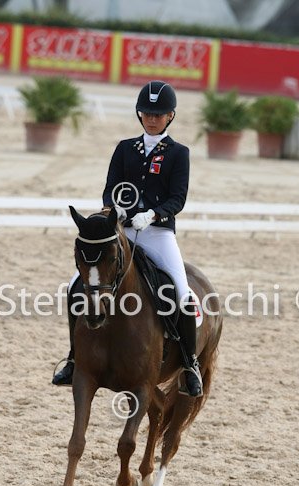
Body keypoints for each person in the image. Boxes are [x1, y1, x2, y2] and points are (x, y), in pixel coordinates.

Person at [53, 80, 203, 397]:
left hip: (158, 234)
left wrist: (154, 215)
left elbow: (178, 198)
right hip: (122, 231)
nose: (152, 119)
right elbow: (111, 187)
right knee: (75, 285)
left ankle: (189, 364)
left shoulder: (179, 153)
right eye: (147, 113)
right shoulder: (125, 148)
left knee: (181, 292)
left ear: (170, 116)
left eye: (158, 114)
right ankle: (74, 358)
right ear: (139, 114)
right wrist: (115, 208)